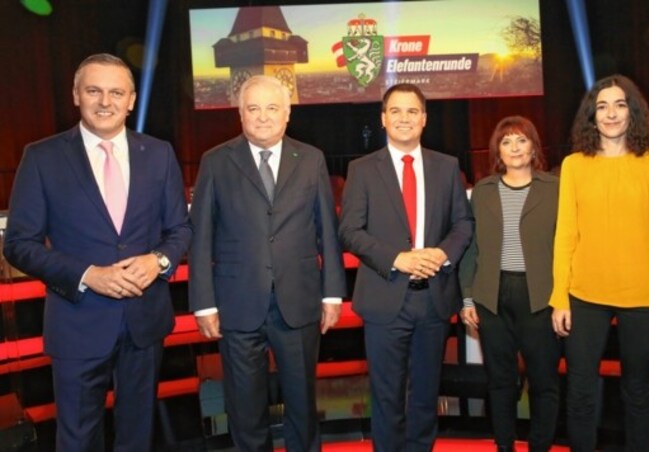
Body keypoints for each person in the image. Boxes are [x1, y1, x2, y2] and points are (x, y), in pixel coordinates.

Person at [3, 53, 191, 451]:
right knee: (77, 439)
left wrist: (157, 261)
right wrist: (89, 274)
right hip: (77, 321)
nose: (105, 101)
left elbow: (179, 230)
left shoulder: (159, 154)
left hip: (145, 321)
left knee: (138, 436)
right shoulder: (42, 157)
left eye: (116, 92)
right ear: (76, 95)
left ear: (132, 100)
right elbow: (19, 244)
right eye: (94, 90)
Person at [189, 75, 346, 451]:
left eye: (272, 108)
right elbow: (201, 238)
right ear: (240, 114)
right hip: (236, 303)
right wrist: (204, 303)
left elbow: (327, 228)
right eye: (253, 109)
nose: (263, 117)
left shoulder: (311, 159)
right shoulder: (216, 161)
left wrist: (333, 296)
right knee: (245, 409)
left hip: (300, 299)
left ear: (287, 113)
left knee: (302, 405)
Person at [549, 74, 649, 451]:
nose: (611, 114)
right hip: (584, 295)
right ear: (591, 116)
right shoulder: (574, 165)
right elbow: (566, 236)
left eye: (620, 105)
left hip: (644, 297)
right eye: (602, 106)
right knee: (579, 392)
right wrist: (560, 296)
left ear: (633, 112)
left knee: (638, 393)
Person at [338, 83, 473, 451]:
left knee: (425, 397)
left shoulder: (447, 167)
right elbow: (349, 231)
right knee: (387, 398)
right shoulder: (362, 169)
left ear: (424, 119)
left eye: (412, 111)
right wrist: (397, 258)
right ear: (383, 119)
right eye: (395, 111)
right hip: (385, 298)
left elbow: (463, 224)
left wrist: (441, 255)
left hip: (433, 300)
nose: (404, 118)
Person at [459, 116, 561, 452]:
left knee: (544, 382)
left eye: (521, 140)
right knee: (500, 382)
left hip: (541, 297)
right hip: (492, 296)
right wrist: (468, 299)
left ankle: (539, 446)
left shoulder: (554, 188)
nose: (515, 148)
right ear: (497, 151)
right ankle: (505, 446)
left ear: (534, 146)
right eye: (506, 141)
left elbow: (568, 245)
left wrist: (564, 297)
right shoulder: (483, 191)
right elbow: (471, 249)